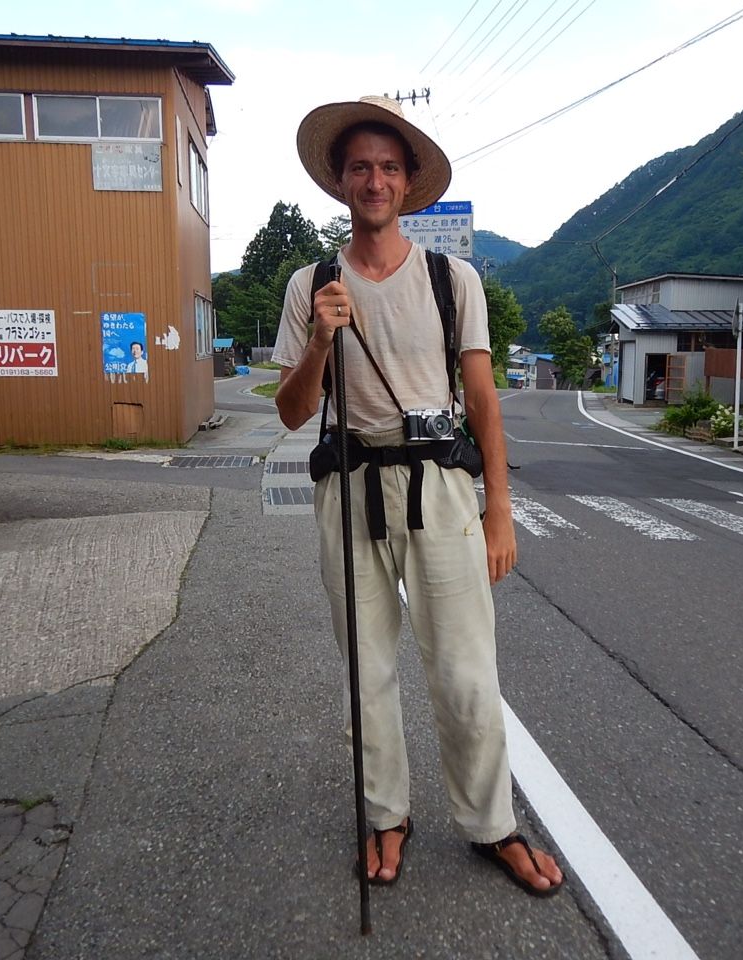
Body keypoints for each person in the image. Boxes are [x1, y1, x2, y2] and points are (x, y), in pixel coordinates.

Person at [272, 95, 563, 897]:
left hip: (439, 487)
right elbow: (294, 412)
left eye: (389, 168)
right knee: (366, 673)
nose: (374, 180)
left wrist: (497, 508)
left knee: (467, 670)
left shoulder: (450, 277)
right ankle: (385, 814)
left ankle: (492, 824)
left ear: (408, 185)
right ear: (340, 182)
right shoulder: (311, 285)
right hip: (350, 486)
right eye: (360, 166)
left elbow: (483, 399)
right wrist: (323, 338)